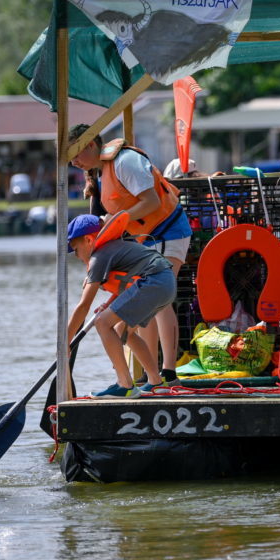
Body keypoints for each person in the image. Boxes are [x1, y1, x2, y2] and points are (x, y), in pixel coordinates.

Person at [68, 124, 190, 391]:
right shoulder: (100, 173)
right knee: (141, 310)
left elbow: (152, 203)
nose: (74, 162)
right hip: (145, 238)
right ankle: (150, 376)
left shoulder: (125, 161)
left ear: (90, 145)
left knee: (159, 304)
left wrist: (117, 221)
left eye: (75, 155)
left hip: (170, 231)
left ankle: (168, 371)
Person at [65, 214, 176, 398]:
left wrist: (65, 341)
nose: (76, 256)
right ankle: (156, 383)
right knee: (121, 330)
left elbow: (84, 306)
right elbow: (128, 282)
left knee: (102, 323)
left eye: (76, 250)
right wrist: (109, 304)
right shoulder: (114, 247)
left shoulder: (98, 257)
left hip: (154, 281)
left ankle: (124, 385)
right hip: (166, 283)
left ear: (88, 240)